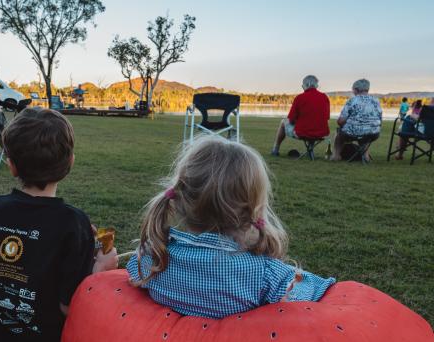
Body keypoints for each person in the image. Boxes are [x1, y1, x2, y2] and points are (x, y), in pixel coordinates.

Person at [0, 107, 118, 342]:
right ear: (70, 163)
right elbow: (69, 305)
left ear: (12, 165)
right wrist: (100, 269)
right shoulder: (72, 222)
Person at [126, 136, 335, 319]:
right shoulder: (265, 273)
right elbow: (308, 293)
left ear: (180, 200)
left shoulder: (152, 258)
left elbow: (131, 272)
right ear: (252, 210)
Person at [271, 75, 330, 156]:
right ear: (316, 85)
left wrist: (298, 121)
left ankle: (275, 149)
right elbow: (326, 117)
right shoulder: (325, 97)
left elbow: (291, 120)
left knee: (283, 122)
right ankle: (310, 151)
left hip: (303, 133)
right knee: (312, 125)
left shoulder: (299, 98)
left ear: (306, 85)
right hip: (321, 133)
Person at [331, 79, 382, 161]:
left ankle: (336, 156)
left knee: (339, 134)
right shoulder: (376, 101)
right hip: (374, 133)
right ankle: (365, 156)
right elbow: (380, 118)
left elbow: (340, 121)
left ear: (356, 90)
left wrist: (343, 124)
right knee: (365, 134)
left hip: (354, 132)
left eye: (353, 89)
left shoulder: (352, 101)